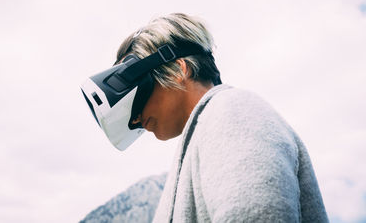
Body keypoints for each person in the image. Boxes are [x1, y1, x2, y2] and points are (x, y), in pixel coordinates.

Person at [83, 13, 329, 222]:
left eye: (138, 91)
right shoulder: (207, 132)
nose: (135, 118)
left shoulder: (232, 111)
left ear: (179, 69)